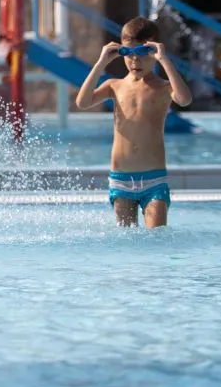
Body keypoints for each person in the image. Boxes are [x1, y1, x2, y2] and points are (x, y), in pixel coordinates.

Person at [76, 16, 193, 228]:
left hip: (154, 179)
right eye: (128, 54)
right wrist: (101, 62)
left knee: (157, 238)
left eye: (142, 53)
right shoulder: (114, 85)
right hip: (121, 179)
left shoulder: (164, 87)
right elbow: (82, 102)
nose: (135, 61)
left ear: (153, 52)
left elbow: (184, 99)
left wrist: (164, 60)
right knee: (127, 240)